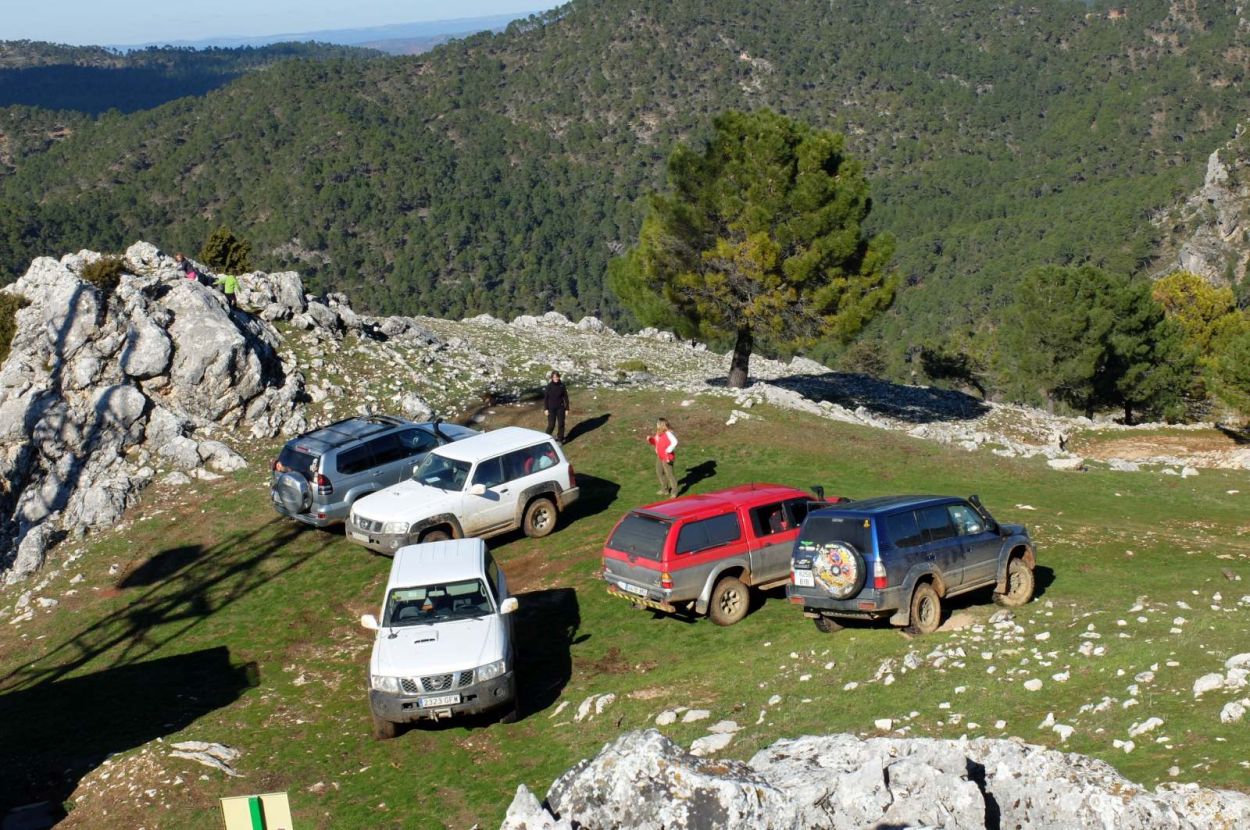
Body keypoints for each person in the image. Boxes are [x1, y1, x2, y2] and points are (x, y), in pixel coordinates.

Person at [647, 418, 679, 498]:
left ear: (662, 425)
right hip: (660, 456)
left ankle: (674, 492)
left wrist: (668, 450)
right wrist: (651, 440)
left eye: (658, 423)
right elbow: (656, 442)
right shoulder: (658, 433)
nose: (656, 425)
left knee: (669, 474)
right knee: (659, 472)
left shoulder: (668, 433)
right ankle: (665, 489)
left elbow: (675, 442)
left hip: (667, 457)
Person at [543, 371, 570, 443]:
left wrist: (567, 408)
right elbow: (546, 398)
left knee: (561, 423)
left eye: (557, 377)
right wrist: (545, 409)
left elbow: (566, 397)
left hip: (560, 408)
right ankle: (544, 439)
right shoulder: (549, 386)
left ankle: (560, 439)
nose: (556, 378)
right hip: (551, 408)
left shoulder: (562, 385)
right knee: (551, 425)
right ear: (552, 378)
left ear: (559, 377)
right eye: (554, 377)